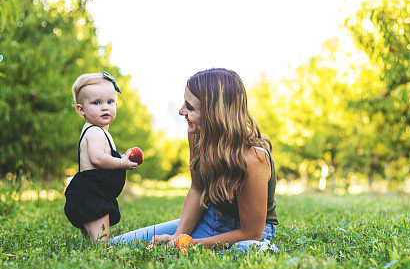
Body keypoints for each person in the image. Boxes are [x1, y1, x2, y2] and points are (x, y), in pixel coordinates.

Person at [110, 68, 278, 252]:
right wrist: (177, 237)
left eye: (190, 107)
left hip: (247, 234)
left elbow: (250, 232)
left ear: (214, 114)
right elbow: (197, 189)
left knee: (245, 250)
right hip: (211, 218)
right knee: (117, 244)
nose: (182, 111)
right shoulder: (197, 133)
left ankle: (264, 248)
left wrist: (189, 244)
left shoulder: (253, 158)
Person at [64, 71, 139, 242]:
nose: (105, 107)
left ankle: (90, 250)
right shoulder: (95, 132)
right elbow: (97, 158)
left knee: (93, 239)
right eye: (96, 102)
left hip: (93, 192)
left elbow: (105, 155)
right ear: (80, 110)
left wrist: (121, 156)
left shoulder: (100, 130)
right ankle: (98, 256)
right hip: (92, 194)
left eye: (110, 101)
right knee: (101, 242)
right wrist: (121, 163)